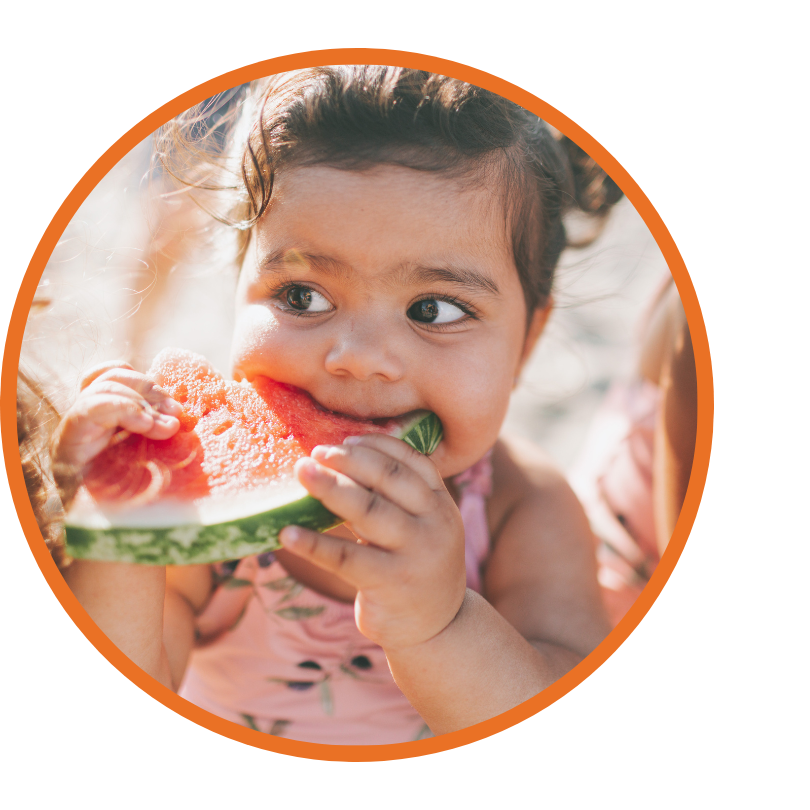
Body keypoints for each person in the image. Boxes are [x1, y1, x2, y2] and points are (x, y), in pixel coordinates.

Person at [52, 67, 625, 744]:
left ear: (527, 340)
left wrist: (438, 623)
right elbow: (132, 694)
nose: (357, 356)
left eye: (433, 309)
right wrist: (121, 521)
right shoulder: (206, 504)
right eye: (301, 296)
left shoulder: (521, 507)